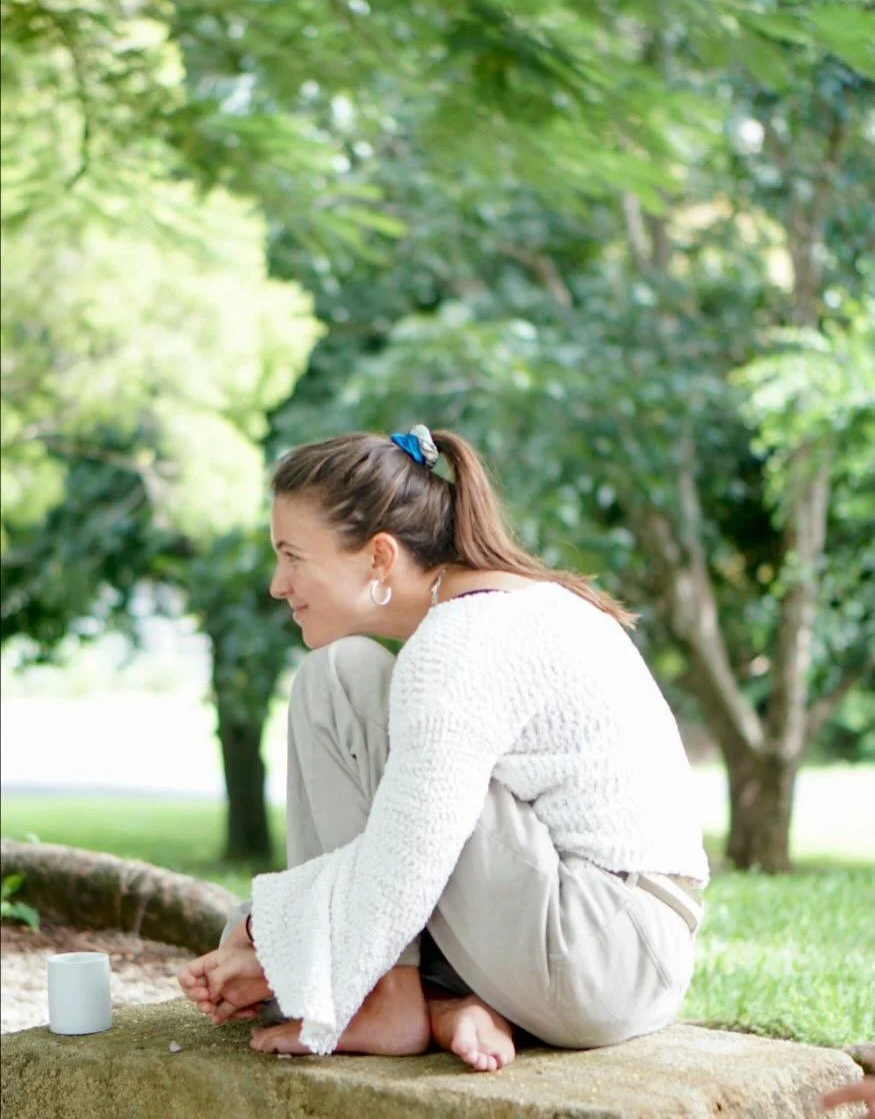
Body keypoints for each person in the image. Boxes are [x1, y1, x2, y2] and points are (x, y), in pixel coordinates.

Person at [178, 425, 709, 1073]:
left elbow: (407, 859)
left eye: (292, 556)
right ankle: (447, 1003)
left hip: (598, 950)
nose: (277, 584)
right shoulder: (485, 610)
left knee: (336, 684)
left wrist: (266, 934)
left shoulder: (457, 644)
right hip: (617, 951)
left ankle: (393, 1000)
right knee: (282, 930)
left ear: (378, 557)